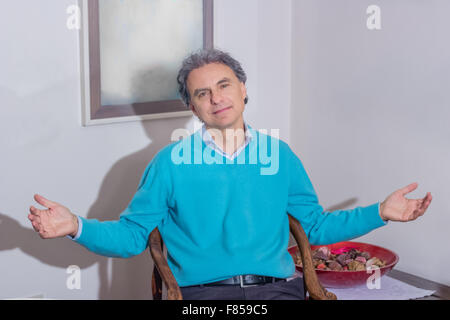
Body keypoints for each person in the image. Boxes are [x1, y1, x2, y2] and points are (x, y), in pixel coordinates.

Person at [28, 48, 432, 300]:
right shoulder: (169, 163)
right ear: (193, 107)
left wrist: (380, 211)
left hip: (278, 290)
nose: (216, 97)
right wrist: (75, 226)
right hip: (202, 297)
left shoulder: (279, 155)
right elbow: (132, 237)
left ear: (243, 90)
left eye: (224, 85)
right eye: (202, 93)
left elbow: (315, 227)